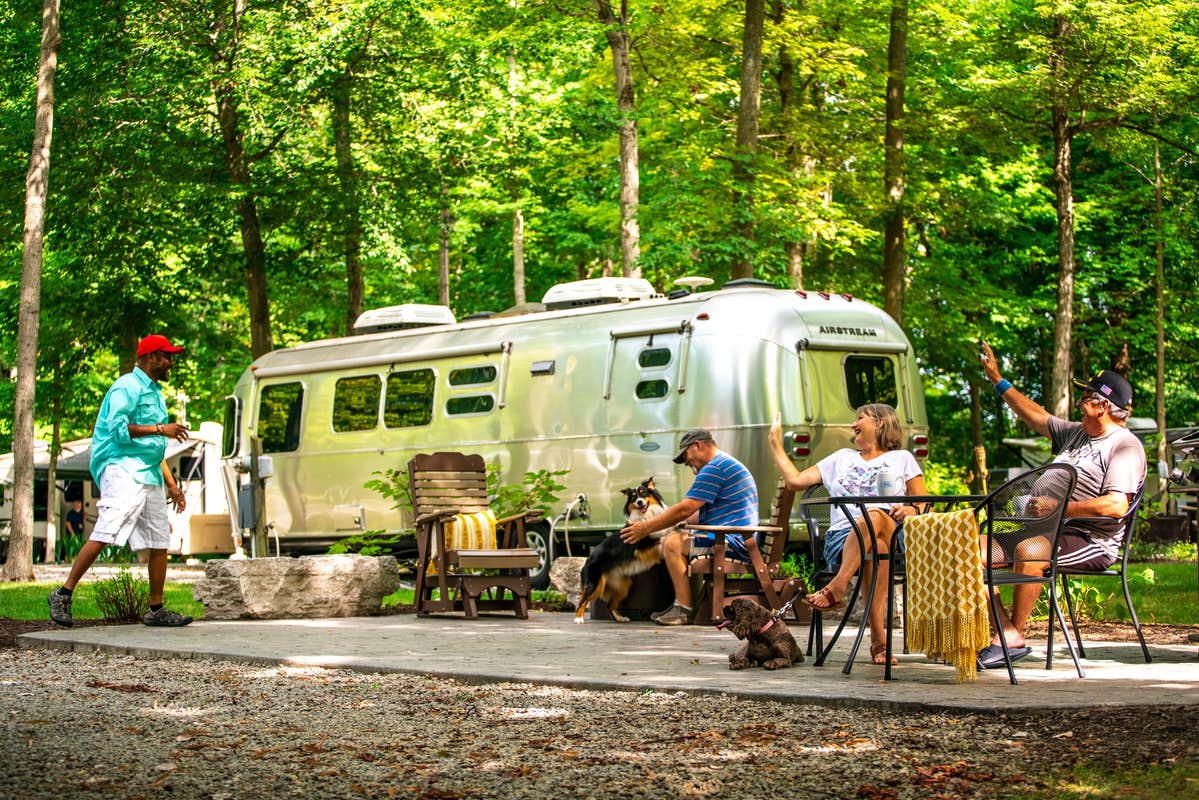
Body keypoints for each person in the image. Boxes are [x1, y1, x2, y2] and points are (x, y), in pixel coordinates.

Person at [977, 341, 1146, 668]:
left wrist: (1059, 509)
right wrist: (998, 380)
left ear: (1103, 406)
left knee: (1031, 550)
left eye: (1086, 398)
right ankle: (1007, 634)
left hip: (1088, 538)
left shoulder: (1124, 446)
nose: (1080, 403)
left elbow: (1115, 506)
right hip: (1042, 530)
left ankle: (1011, 637)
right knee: (970, 551)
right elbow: (1037, 416)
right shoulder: (1078, 434)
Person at [48, 334, 193, 628]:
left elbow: (154, 446)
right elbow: (118, 431)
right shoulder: (125, 387)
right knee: (106, 531)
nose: (171, 363)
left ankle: (156, 609)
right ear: (150, 357)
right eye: (166, 356)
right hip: (122, 469)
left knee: (159, 541)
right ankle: (62, 594)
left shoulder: (154, 392)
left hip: (148, 472)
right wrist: (162, 428)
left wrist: (172, 484)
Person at [768, 406, 925, 666]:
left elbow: (923, 505)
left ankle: (837, 588)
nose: (853, 424)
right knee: (877, 547)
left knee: (876, 520)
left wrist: (909, 509)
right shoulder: (840, 458)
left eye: (859, 418)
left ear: (880, 422)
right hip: (844, 539)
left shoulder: (903, 459)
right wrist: (775, 442)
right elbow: (795, 482)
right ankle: (879, 643)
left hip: (894, 532)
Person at [620, 428, 759, 626]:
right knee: (677, 535)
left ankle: (683, 609)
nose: (686, 462)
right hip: (739, 538)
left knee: (673, 543)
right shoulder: (724, 464)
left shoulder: (714, 468)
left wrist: (646, 528)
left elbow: (685, 509)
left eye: (686, 455)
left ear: (698, 445)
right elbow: (696, 514)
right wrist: (676, 525)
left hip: (734, 542)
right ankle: (682, 603)